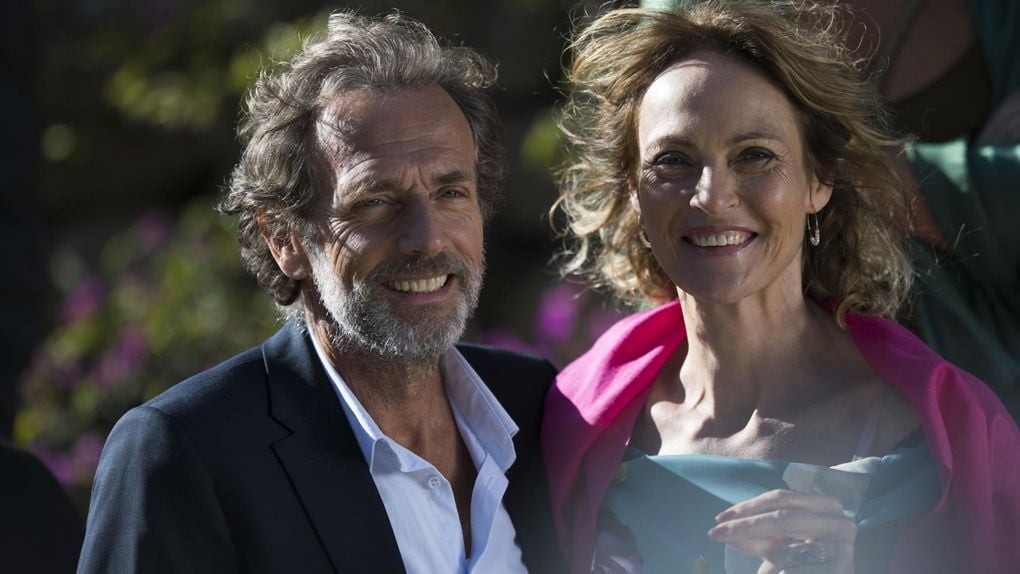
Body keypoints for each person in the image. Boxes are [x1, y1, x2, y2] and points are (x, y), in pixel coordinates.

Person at [541, 2, 1020, 573]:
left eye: (755, 156)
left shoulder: (948, 435)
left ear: (820, 179)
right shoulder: (575, 421)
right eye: (672, 160)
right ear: (632, 190)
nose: (712, 197)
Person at [78, 12, 563, 574]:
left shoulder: (534, 405)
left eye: (451, 192)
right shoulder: (186, 452)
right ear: (284, 239)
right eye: (374, 202)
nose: (427, 238)